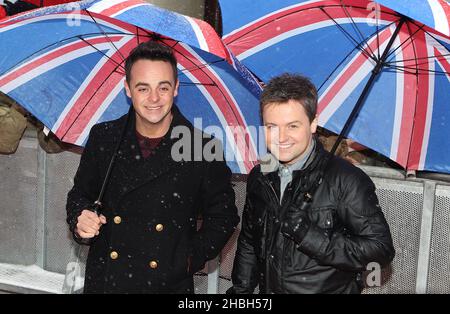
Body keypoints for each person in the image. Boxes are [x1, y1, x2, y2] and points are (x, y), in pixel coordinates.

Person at [66, 41, 239, 294]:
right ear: (128, 89)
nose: (154, 98)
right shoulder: (104, 137)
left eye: (163, 87)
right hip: (106, 283)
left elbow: (224, 217)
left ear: (176, 88)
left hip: (166, 286)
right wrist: (80, 219)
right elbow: (79, 195)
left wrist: (186, 258)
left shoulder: (201, 146)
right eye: (143, 88)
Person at [228, 73, 395, 294]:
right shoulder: (260, 176)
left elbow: (380, 250)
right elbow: (249, 242)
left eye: (293, 126)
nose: (281, 137)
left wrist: (311, 237)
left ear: (313, 123)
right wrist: (240, 293)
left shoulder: (346, 180)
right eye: (271, 127)